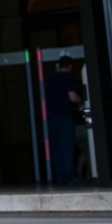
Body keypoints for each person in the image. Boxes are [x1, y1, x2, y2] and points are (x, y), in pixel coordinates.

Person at [46, 55, 82, 185]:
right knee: (66, 146)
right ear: (70, 66)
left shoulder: (52, 79)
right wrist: (81, 100)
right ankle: (70, 176)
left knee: (56, 147)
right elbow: (72, 97)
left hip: (51, 117)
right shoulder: (68, 78)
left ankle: (60, 176)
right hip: (65, 116)